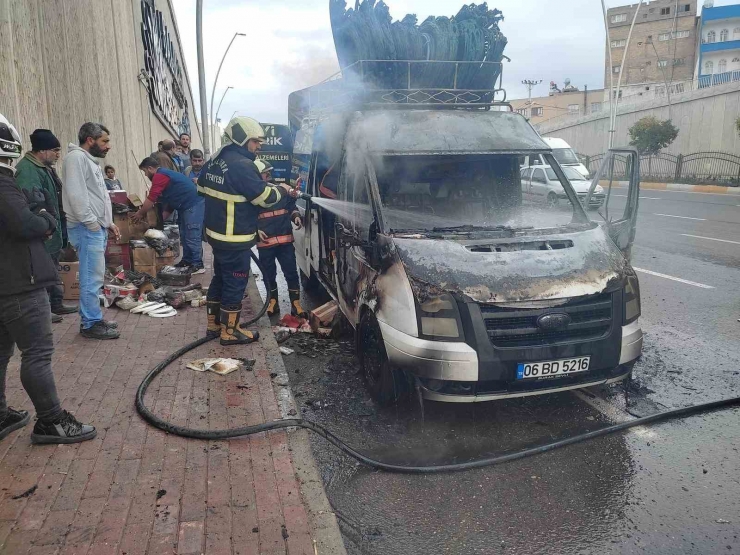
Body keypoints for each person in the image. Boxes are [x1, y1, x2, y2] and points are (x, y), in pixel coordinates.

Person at [0, 113, 96, 444]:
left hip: (6, 282)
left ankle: (0, 415)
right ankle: (50, 420)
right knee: (37, 352)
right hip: (19, 282)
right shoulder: (3, 180)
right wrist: (45, 219)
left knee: (2, 352)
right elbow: (26, 224)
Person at [198, 116, 290, 345]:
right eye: (255, 141)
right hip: (234, 237)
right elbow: (265, 198)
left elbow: (201, 188)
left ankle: (214, 326)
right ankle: (230, 332)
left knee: (220, 278)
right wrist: (283, 190)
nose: (259, 146)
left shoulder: (215, 160)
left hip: (216, 234)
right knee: (236, 282)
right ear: (241, 139)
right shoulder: (242, 165)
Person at [62, 122, 120, 340]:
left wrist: (108, 222)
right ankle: (90, 323)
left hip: (94, 227)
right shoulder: (76, 159)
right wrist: (93, 224)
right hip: (87, 228)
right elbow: (77, 196)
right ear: (90, 140)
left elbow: (98, 197)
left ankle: (93, 318)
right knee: (90, 277)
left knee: (94, 276)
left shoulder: (88, 161)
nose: (108, 146)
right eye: (104, 141)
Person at [15, 129, 77, 323]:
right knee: (41, 270)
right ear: (42, 150)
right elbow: (32, 203)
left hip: (54, 228)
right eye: (55, 150)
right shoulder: (28, 170)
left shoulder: (44, 167)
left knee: (53, 266)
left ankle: (56, 303)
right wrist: (44, 227)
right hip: (43, 231)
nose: (58, 154)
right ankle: (45, 308)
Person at [134, 157, 205, 274]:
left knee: (192, 235)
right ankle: (187, 261)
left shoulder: (159, 176)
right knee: (184, 234)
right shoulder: (166, 175)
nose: (146, 175)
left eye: (145, 172)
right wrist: (159, 221)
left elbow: (151, 198)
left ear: (150, 168)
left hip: (192, 204)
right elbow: (169, 204)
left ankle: (197, 264)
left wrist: (140, 213)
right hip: (185, 205)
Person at [255, 160, 306, 318]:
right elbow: (245, 218)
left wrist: (296, 216)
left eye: (269, 173)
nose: (268, 175)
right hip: (265, 244)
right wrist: (255, 231)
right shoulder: (252, 196)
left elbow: (291, 207)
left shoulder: (280, 190)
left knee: (291, 272)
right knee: (269, 274)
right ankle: (273, 302)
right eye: (265, 173)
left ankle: (296, 304)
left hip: (285, 243)